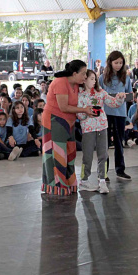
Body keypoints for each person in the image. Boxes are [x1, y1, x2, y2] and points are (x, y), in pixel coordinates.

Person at [41, 60, 95, 197]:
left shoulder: (76, 85)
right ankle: (57, 185)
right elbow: (63, 107)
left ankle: (69, 182)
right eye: (83, 74)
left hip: (69, 122)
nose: (85, 77)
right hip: (54, 120)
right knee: (57, 153)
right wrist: (84, 110)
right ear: (74, 73)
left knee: (70, 152)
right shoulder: (60, 82)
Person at [76, 70, 124, 193]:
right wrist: (86, 112)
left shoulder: (101, 92)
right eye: (92, 78)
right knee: (87, 156)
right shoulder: (80, 95)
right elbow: (79, 115)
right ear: (85, 79)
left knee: (103, 155)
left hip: (102, 127)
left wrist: (119, 98)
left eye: (95, 79)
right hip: (88, 129)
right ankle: (84, 180)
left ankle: (102, 180)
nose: (94, 81)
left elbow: (113, 103)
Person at [101, 51, 134, 181]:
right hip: (106, 114)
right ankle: (103, 172)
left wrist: (123, 96)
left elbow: (131, 96)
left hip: (120, 114)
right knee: (105, 143)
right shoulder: (102, 77)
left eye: (121, 63)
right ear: (110, 62)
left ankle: (120, 170)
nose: (118, 65)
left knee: (119, 142)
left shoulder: (126, 77)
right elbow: (98, 95)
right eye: (116, 63)